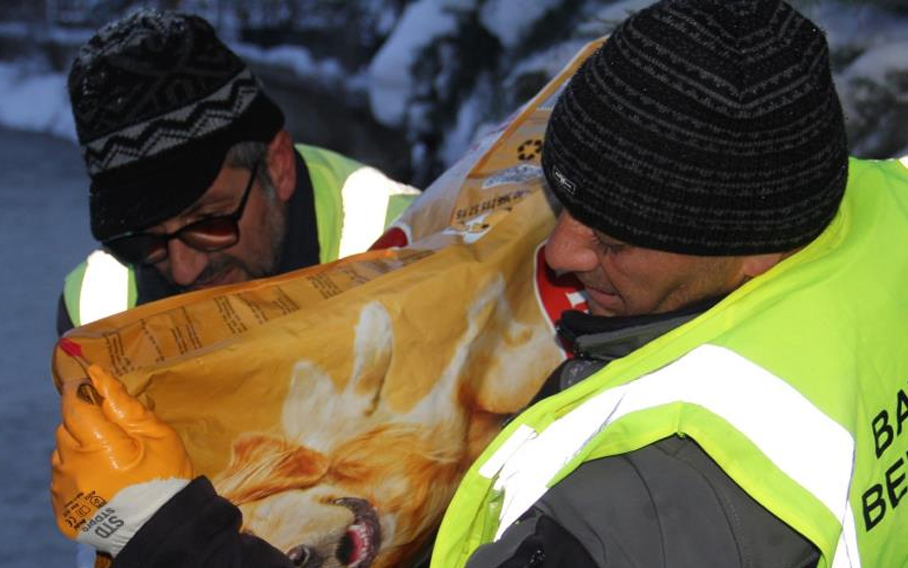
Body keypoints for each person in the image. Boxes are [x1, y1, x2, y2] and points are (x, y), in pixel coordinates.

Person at [49, 1, 908, 566]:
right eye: (563, 203)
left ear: (752, 247)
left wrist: (162, 529)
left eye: (613, 238)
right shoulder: (886, 210)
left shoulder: (659, 489)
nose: (563, 256)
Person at [57, 10, 419, 335]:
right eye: (147, 238)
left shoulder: (416, 248)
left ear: (277, 166)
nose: (184, 271)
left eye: (208, 221)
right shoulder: (95, 317)